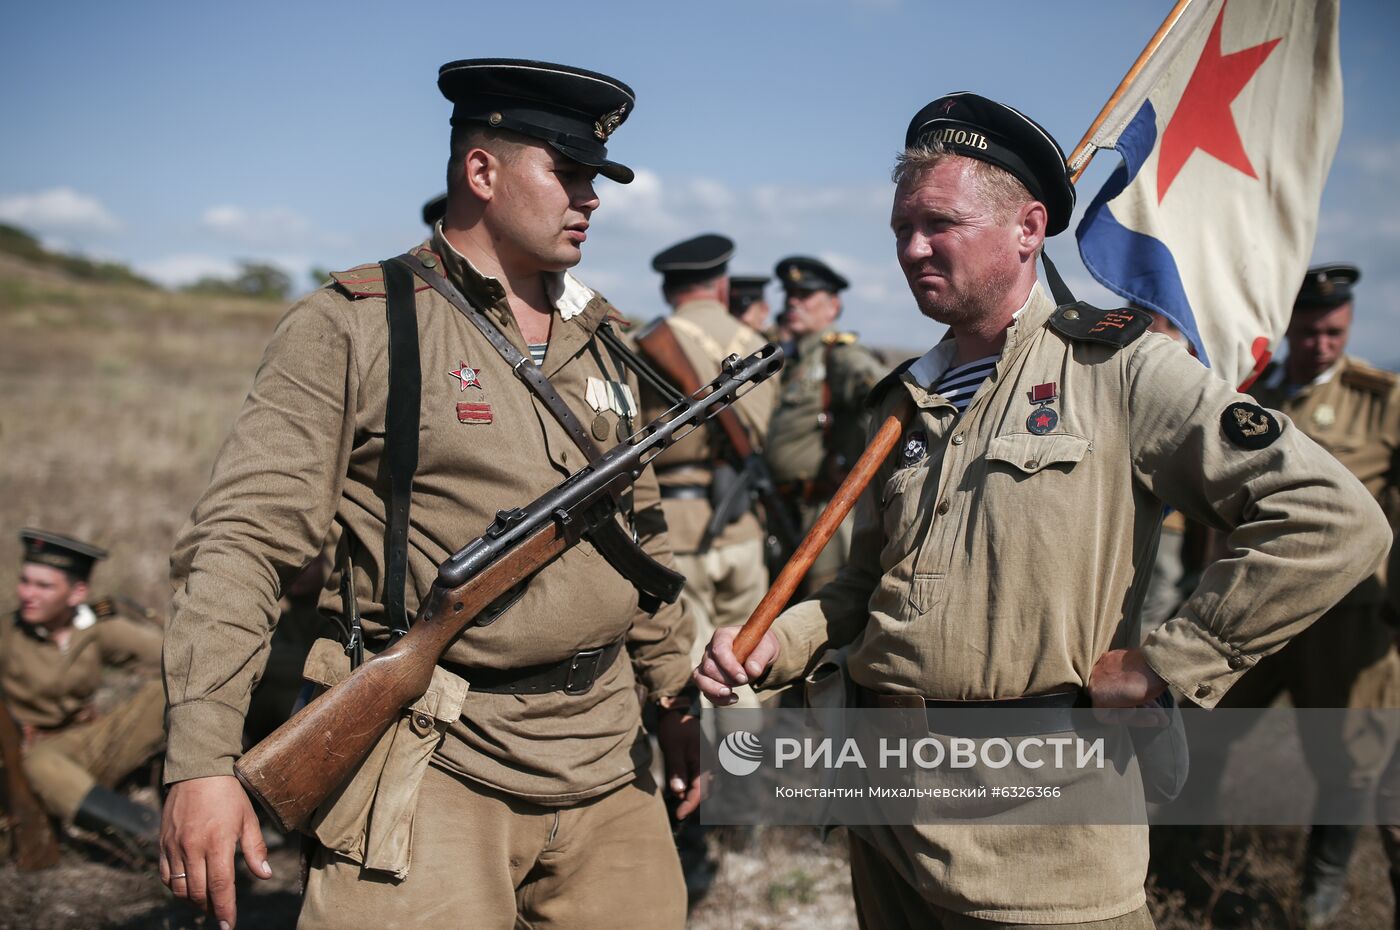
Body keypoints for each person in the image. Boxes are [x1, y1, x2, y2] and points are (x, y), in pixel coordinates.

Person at [695, 91, 1390, 929]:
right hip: (889, 829)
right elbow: (867, 586)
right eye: (901, 228)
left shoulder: (1120, 372)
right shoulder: (904, 400)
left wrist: (1175, 661)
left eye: (940, 223)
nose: (913, 248)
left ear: (1028, 228)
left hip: (1041, 850)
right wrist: (786, 638)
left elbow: (1330, 518)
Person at [160, 59, 698, 930]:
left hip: (606, 759)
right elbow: (243, 542)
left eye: (595, 177)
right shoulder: (357, 323)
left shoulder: (608, 343)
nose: (589, 197)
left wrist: (674, 694)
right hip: (433, 754)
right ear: (481, 172)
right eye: (566, 171)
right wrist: (200, 759)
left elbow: (641, 541)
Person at [1233, 263, 1400, 926]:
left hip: (1348, 617)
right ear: (1288, 327)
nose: (1320, 344)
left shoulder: (1381, 399)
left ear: (1348, 326)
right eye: (1308, 331)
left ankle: (1322, 892)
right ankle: (1182, 849)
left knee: (1349, 762)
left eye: (1333, 332)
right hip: (1250, 607)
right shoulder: (1250, 389)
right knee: (1202, 728)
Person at [2, 529, 165, 853]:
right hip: (26, 758)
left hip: (88, 745)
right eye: (25, 581)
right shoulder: (8, 633)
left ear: (76, 593)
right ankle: (153, 835)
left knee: (172, 689)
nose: (27, 594)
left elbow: (171, 656)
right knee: (41, 764)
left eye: (43, 585)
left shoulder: (95, 628)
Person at [765, 255, 886, 592]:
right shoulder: (792, 358)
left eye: (805, 295)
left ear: (833, 306)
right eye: (789, 294)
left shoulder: (840, 356)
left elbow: (888, 399)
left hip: (825, 511)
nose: (793, 302)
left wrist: (854, 462)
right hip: (785, 509)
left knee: (821, 612)